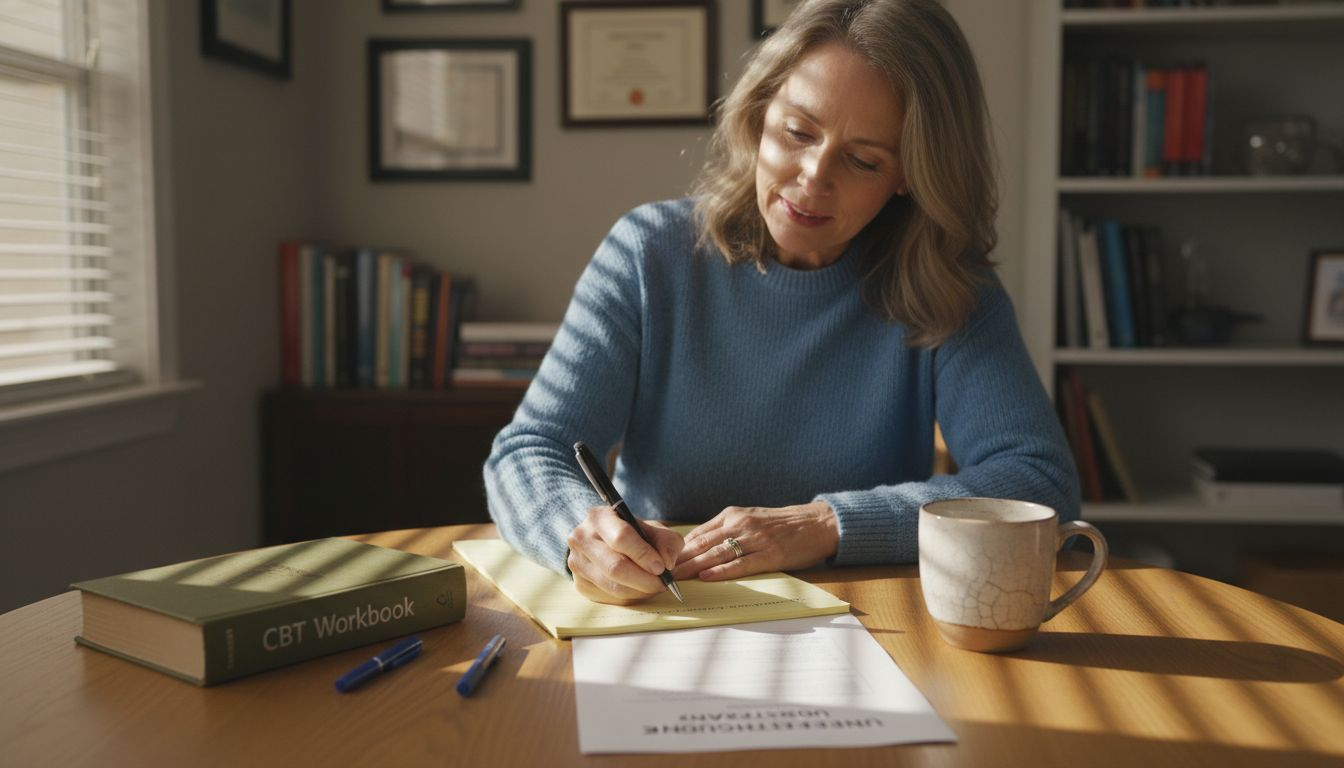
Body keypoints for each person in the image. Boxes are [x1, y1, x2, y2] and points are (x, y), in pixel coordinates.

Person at [484, 0, 1080, 605]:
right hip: (669, 611)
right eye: (798, 131)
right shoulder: (649, 255)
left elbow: (1036, 481)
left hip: (874, 624)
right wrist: (575, 533)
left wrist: (823, 525)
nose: (813, 177)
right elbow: (530, 450)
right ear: (759, 110)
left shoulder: (947, 286)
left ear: (910, 174)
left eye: (863, 159)